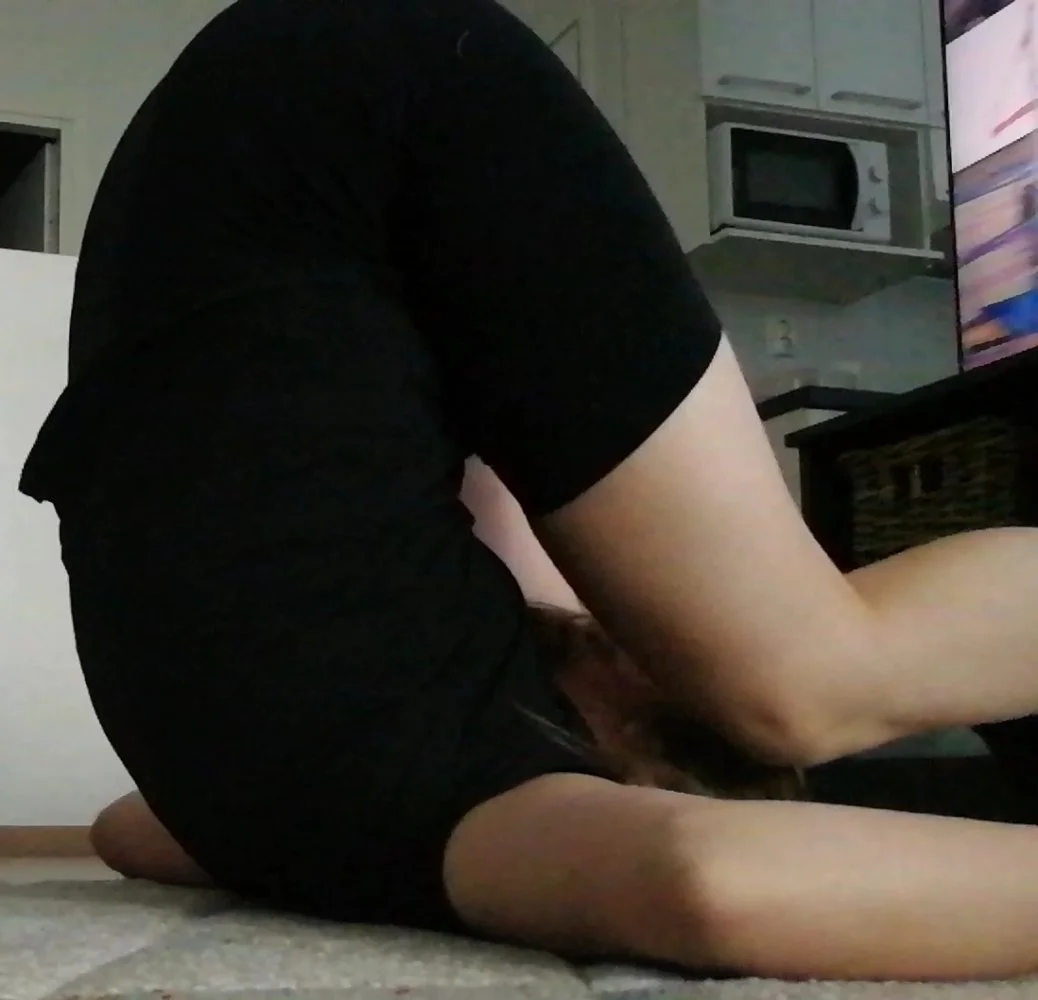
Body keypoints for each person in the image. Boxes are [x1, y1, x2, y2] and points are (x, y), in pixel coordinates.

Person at [19, 0, 1038, 982]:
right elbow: (137, 829)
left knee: (805, 684)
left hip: (347, 112)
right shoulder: (319, 789)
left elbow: (709, 877)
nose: (637, 644)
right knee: (798, 678)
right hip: (304, 125)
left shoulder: (427, 777)